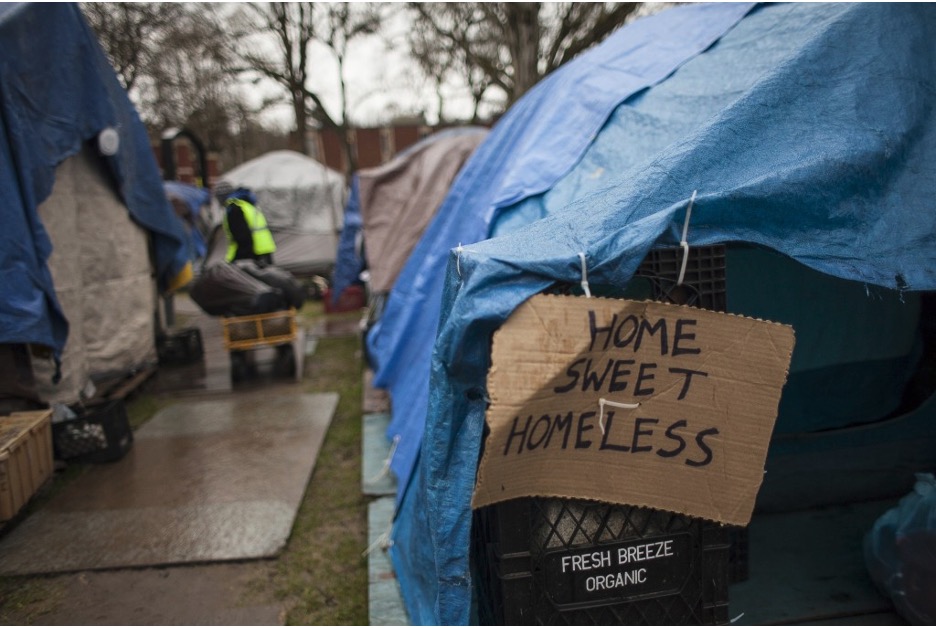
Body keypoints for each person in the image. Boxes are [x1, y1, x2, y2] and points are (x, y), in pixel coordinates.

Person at [214, 181, 276, 267]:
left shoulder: (234, 209)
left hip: (252, 256)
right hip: (264, 252)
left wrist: (236, 261)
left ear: (220, 197)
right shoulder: (246, 204)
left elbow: (243, 238)